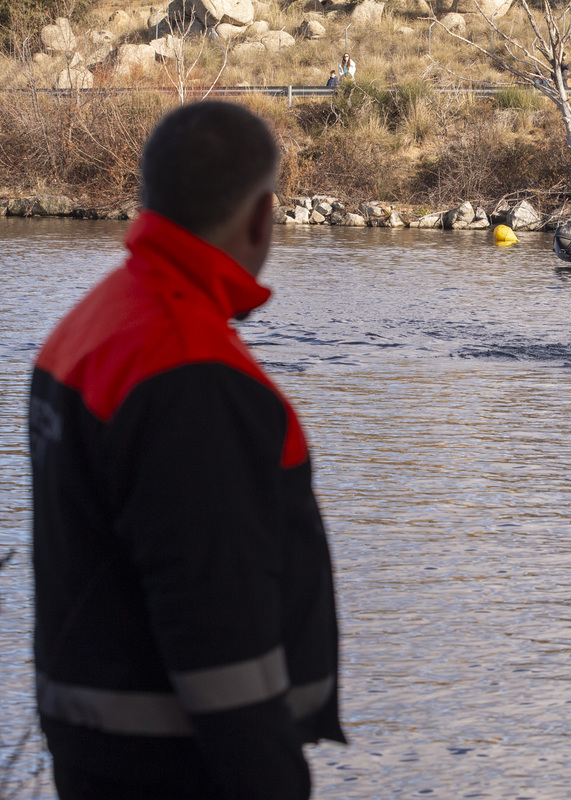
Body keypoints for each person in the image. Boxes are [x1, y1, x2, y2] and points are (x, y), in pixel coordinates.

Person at [29, 101, 344, 799]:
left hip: (97, 746)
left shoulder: (89, 325)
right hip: (182, 765)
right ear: (263, 217)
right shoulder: (195, 375)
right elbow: (216, 633)